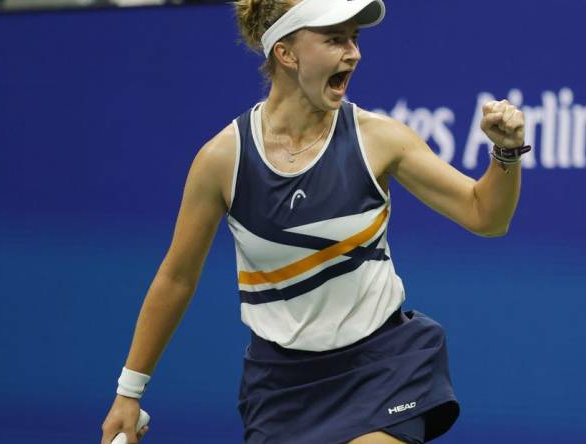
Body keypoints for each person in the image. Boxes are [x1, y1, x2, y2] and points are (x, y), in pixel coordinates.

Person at [100, 0, 528, 443]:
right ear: (286, 53)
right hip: (282, 387)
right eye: (334, 39)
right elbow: (176, 277)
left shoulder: (378, 139)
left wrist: (506, 153)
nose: (353, 53)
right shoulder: (222, 160)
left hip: (381, 366)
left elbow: (485, 216)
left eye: (355, 39)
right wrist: (128, 392)